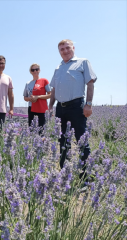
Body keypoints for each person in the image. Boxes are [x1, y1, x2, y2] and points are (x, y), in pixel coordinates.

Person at [49, 39, 97, 178]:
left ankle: (86, 177)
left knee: (81, 140)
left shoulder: (83, 62)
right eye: (61, 49)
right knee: (62, 141)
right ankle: (65, 174)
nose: (65, 51)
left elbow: (90, 83)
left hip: (76, 106)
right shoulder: (58, 68)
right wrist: (50, 106)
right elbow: (54, 89)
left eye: (67, 48)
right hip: (60, 108)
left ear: (73, 48)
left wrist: (88, 104)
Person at [23, 63, 51, 128]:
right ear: (30, 72)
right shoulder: (28, 83)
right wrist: (30, 99)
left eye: (36, 69)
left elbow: (50, 95)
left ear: (39, 70)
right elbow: (25, 97)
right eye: (33, 70)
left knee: (42, 130)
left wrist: (38, 97)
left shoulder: (44, 81)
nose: (35, 71)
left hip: (42, 108)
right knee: (32, 129)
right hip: (31, 108)